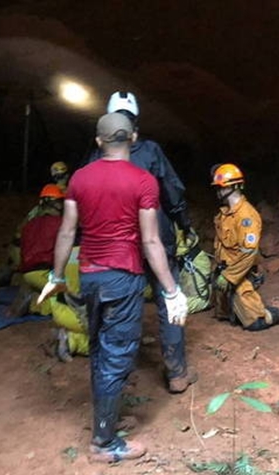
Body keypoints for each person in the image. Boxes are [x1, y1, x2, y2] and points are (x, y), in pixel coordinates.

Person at [38, 112, 188, 463]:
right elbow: (151, 241)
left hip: (89, 274)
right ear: (134, 138)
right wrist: (171, 290)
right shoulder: (143, 181)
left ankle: (107, 419)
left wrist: (56, 276)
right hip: (123, 277)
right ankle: (104, 443)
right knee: (117, 354)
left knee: (99, 349)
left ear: (98, 142)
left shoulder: (79, 178)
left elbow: (66, 232)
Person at [88, 91, 197, 394]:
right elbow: (172, 191)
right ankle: (176, 373)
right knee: (168, 298)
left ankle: (120, 381)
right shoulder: (150, 151)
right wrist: (185, 224)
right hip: (156, 239)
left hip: (118, 244)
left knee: (122, 307)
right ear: (135, 123)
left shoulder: (97, 157)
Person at [9, 184, 89, 357]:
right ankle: (38, 305)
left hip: (27, 274)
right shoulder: (60, 225)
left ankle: (35, 299)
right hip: (46, 274)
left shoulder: (29, 225)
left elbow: (16, 249)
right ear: (58, 204)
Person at [211, 163, 279, 331]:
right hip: (224, 270)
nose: (218, 191)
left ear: (234, 186)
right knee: (223, 315)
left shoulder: (247, 216)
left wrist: (230, 276)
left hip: (239, 273)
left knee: (255, 323)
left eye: (221, 187)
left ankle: (277, 310)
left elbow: (248, 252)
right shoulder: (224, 214)